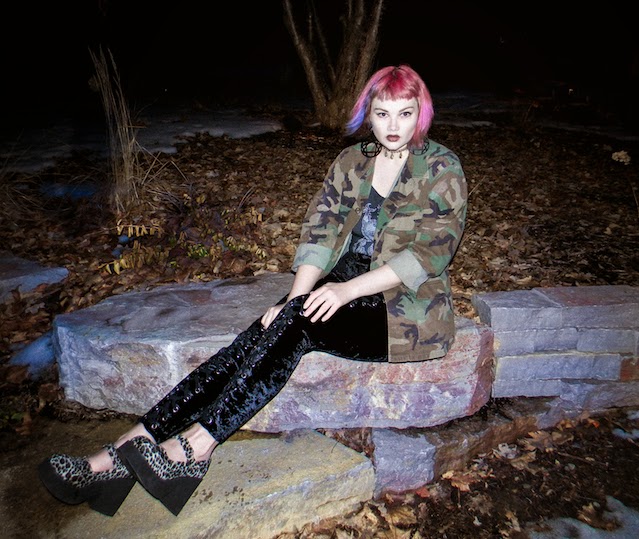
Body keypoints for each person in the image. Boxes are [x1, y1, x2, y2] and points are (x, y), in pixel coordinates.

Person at [38, 64, 468, 517]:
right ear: (368, 114)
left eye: (405, 113)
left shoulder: (441, 167)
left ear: (421, 113)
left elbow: (429, 255)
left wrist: (341, 294)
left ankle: (196, 446)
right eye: (382, 113)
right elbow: (320, 232)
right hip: (343, 283)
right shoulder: (352, 161)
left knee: (297, 325)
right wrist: (294, 298)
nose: (393, 125)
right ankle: (125, 450)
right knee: (258, 336)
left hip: (404, 308)